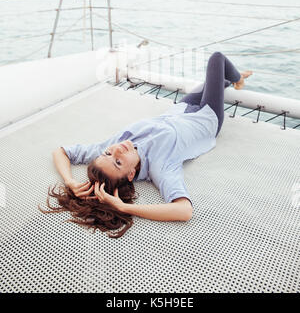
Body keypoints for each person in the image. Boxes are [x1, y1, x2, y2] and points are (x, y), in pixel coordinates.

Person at [41, 51, 252, 238]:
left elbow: (61, 151)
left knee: (215, 81)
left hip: (182, 109)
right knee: (217, 59)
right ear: (131, 174)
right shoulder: (161, 167)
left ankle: (231, 79)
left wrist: (69, 181)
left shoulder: (112, 146)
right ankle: (237, 79)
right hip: (206, 118)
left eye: (107, 153)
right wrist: (123, 207)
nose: (116, 150)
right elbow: (184, 210)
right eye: (117, 163)